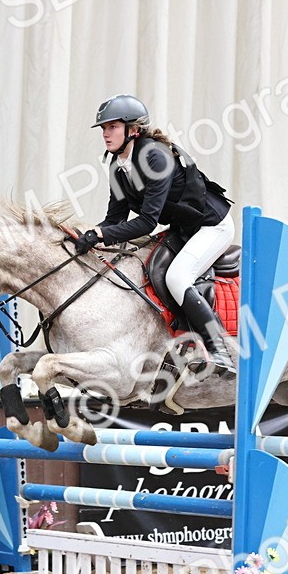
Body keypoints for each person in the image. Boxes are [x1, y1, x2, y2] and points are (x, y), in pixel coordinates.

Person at [70, 94, 237, 379]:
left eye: (112, 127)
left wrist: (101, 233)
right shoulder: (116, 163)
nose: (106, 134)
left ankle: (219, 349)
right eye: (103, 128)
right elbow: (115, 219)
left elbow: (147, 222)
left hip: (212, 225)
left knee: (177, 277)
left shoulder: (154, 157)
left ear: (132, 129)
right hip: (183, 228)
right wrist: (90, 236)